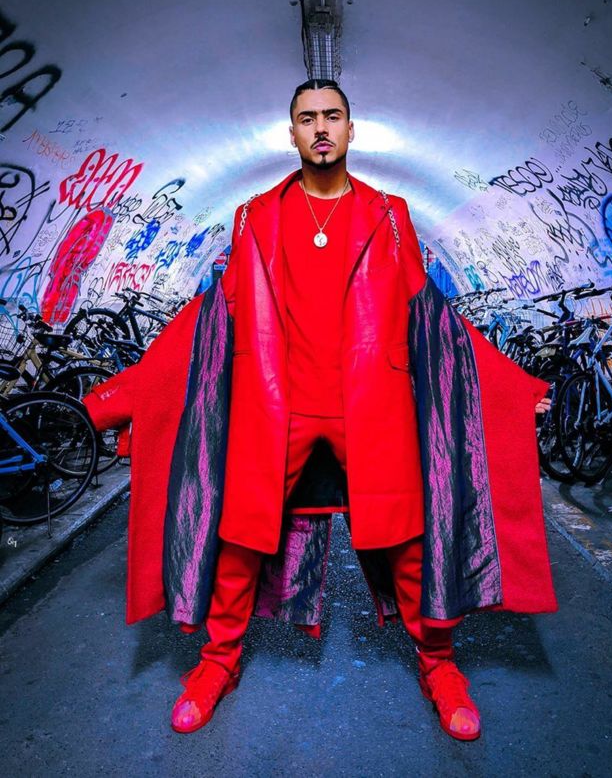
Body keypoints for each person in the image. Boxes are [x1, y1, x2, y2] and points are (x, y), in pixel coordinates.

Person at [84, 79, 556, 743]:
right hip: (276, 406)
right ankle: (218, 664)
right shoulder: (253, 216)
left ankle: (440, 667)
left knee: (409, 540)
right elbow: (211, 318)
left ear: (351, 129)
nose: (321, 128)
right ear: (293, 133)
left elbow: (432, 317)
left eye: (332, 115)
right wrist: (125, 395)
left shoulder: (390, 214)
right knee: (239, 538)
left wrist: (514, 387)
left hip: (374, 406)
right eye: (308, 118)